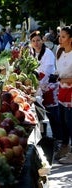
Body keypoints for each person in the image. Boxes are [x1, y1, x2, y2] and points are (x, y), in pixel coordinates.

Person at [29, 31, 59, 144]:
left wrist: (37, 84)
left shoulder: (48, 53)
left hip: (49, 88)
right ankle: (44, 137)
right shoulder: (32, 53)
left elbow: (46, 73)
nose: (36, 43)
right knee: (40, 114)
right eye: (33, 41)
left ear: (42, 40)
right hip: (38, 88)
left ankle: (59, 138)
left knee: (53, 115)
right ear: (31, 43)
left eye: (38, 40)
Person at [54, 26, 72, 164]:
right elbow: (59, 71)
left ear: (71, 39)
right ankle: (65, 148)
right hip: (62, 91)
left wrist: (61, 79)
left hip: (71, 92)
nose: (60, 39)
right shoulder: (59, 51)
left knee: (70, 122)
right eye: (59, 36)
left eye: (64, 37)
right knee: (63, 121)